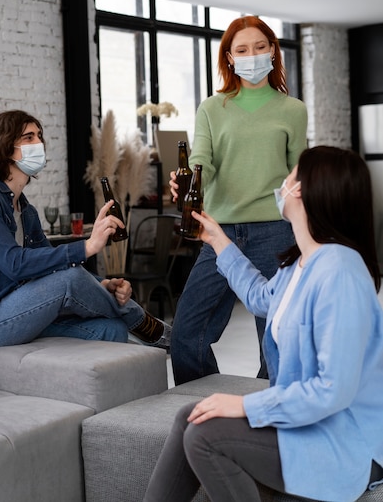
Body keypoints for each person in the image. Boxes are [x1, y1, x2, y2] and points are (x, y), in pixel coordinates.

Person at [144, 146, 383, 502]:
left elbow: (333, 390)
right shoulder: (300, 264)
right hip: (308, 424)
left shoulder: (341, 272)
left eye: (290, 174)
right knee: (188, 417)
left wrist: (244, 405)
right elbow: (259, 296)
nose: (282, 183)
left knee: (204, 436)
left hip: (342, 441)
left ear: (303, 189)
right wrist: (217, 239)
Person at [170, 16, 308, 384]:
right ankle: (202, 411)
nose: (252, 56)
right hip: (219, 233)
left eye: (260, 47)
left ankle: (268, 416)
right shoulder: (213, 109)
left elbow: (298, 176)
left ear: (273, 51)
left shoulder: (292, 110)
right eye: (242, 50)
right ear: (229, 58)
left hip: (276, 232)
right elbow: (202, 161)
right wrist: (187, 180)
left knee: (274, 338)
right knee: (186, 333)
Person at [0, 110, 170, 351]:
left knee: (112, 329)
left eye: (39, 136)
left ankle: (144, 346)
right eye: (29, 137)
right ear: (4, 145)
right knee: (69, 280)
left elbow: (49, 266)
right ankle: (153, 329)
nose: (39, 143)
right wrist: (87, 247)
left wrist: (101, 283)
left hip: (22, 309)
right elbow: (14, 264)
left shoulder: (25, 209)